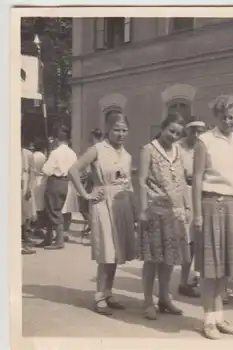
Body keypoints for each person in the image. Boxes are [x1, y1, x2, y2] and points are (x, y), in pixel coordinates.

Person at [68, 112, 137, 315]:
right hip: (103, 202)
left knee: (116, 253)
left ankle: (108, 292)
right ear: (108, 128)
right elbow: (73, 170)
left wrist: (133, 209)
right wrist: (86, 194)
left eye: (124, 130)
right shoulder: (97, 149)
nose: (120, 134)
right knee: (106, 252)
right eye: (116, 129)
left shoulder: (127, 154)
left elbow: (129, 183)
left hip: (122, 205)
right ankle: (99, 295)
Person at [192, 94, 233, 340]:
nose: (229, 121)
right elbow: (196, 179)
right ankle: (207, 320)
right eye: (225, 117)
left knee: (226, 265)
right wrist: (196, 213)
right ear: (217, 116)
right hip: (212, 203)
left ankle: (219, 316)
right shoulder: (204, 141)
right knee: (209, 267)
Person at [138, 112, 191, 320]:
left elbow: (183, 181)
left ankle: (164, 298)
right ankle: (148, 301)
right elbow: (141, 181)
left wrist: (186, 207)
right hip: (154, 210)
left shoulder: (178, 151)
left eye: (178, 133)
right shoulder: (148, 150)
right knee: (153, 259)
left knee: (170, 259)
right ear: (163, 127)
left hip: (175, 212)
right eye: (171, 131)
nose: (173, 136)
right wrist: (142, 210)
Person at [176, 115, 206, 298]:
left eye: (199, 130)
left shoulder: (203, 147)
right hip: (182, 192)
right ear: (186, 130)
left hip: (199, 194)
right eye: (193, 129)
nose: (196, 133)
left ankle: (189, 278)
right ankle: (181, 280)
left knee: (196, 239)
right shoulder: (178, 148)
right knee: (182, 239)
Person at [38, 126, 77, 250]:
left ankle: (58, 240)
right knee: (54, 209)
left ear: (56, 139)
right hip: (65, 182)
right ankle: (48, 238)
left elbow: (46, 170)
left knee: (52, 210)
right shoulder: (72, 153)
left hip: (55, 181)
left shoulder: (55, 153)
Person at [78, 129, 104, 237]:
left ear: (93, 136)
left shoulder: (92, 150)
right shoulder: (104, 148)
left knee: (83, 207)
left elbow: (89, 168)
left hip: (90, 180)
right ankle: (92, 228)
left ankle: (93, 228)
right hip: (98, 181)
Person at [62, 141, 81, 242]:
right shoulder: (73, 154)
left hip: (61, 180)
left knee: (61, 209)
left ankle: (61, 233)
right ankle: (65, 231)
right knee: (68, 209)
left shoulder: (56, 152)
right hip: (70, 182)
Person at [30, 138, 48, 236]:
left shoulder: (32, 156)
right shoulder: (43, 157)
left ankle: (34, 226)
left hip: (33, 180)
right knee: (41, 205)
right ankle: (39, 227)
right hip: (42, 180)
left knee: (34, 204)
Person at [21, 146, 36, 255]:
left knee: (25, 214)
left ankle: (25, 242)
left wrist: (30, 188)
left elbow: (32, 172)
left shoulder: (28, 154)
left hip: (24, 185)